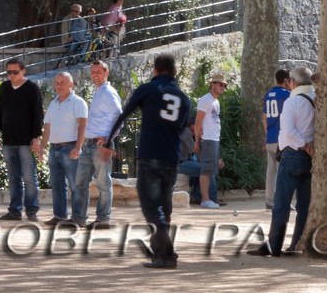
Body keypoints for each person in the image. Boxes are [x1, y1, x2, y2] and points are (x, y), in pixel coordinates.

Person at [110, 53, 193, 269]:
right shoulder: (184, 99)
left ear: (155, 70)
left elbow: (123, 115)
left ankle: (167, 254)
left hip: (150, 156)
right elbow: (182, 127)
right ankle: (160, 253)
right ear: (175, 72)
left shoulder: (147, 89)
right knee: (164, 209)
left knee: (152, 209)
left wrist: (108, 140)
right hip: (171, 158)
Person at [262, 67, 314, 256]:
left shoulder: (293, 101)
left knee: (281, 203)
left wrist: (303, 145)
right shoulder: (316, 99)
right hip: (309, 157)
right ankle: (296, 244)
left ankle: (274, 245)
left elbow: (288, 131)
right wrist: (309, 146)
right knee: (304, 205)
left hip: (292, 153)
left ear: (293, 82)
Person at [0, 58, 44, 223]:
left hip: (26, 142)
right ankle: (14, 211)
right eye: (9, 72)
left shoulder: (32, 88)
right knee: (13, 179)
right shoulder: (4, 87)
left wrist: (36, 138)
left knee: (29, 178)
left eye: (15, 72)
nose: (12, 75)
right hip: (8, 141)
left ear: (23, 71)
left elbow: (38, 114)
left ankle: (32, 211)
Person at [76, 59, 122, 226]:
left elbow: (119, 116)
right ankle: (79, 219)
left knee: (103, 184)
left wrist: (109, 139)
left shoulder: (108, 92)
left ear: (106, 73)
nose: (94, 75)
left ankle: (103, 219)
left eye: (98, 72)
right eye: (93, 72)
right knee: (80, 183)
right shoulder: (99, 92)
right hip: (89, 144)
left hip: (100, 145)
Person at [41, 71, 89, 224]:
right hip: (54, 149)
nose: (59, 86)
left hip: (70, 149)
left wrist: (78, 147)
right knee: (57, 186)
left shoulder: (78, 102)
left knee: (76, 185)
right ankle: (59, 216)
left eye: (63, 83)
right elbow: (47, 127)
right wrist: (42, 147)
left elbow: (83, 125)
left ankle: (79, 218)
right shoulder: (53, 103)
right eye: (57, 83)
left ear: (71, 84)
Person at [193, 72, 228, 209]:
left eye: (224, 85)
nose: (223, 87)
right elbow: (197, 122)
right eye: (220, 84)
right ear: (212, 84)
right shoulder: (205, 100)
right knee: (206, 170)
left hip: (214, 139)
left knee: (210, 170)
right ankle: (205, 199)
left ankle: (207, 199)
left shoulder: (216, 102)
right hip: (207, 139)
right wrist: (197, 142)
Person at [262, 69, 291, 212]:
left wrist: (267, 133)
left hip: (271, 136)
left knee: (271, 170)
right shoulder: (287, 94)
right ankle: (281, 202)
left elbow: (264, 117)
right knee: (282, 171)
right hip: (281, 138)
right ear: (285, 80)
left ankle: (270, 201)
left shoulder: (268, 94)